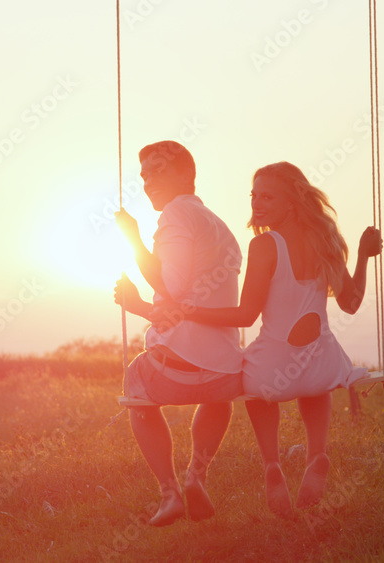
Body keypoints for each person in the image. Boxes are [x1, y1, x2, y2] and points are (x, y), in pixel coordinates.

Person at [146, 161, 383, 515]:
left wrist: (186, 310)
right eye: (254, 195)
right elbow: (350, 303)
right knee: (313, 385)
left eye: (268, 197)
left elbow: (245, 316)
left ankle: (272, 465)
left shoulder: (265, 245)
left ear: (292, 202)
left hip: (272, 372)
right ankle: (317, 454)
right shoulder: (326, 240)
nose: (257, 204)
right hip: (325, 362)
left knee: (251, 385)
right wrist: (363, 256)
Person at [112, 140, 244, 526]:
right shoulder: (219, 225)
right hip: (225, 374)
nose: (148, 180)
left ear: (187, 174)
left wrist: (133, 240)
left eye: (158, 170)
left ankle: (169, 492)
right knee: (218, 399)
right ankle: (196, 476)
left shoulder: (174, 216)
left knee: (136, 380)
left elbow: (173, 288)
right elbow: (190, 304)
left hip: (175, 371)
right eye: (143, 174)